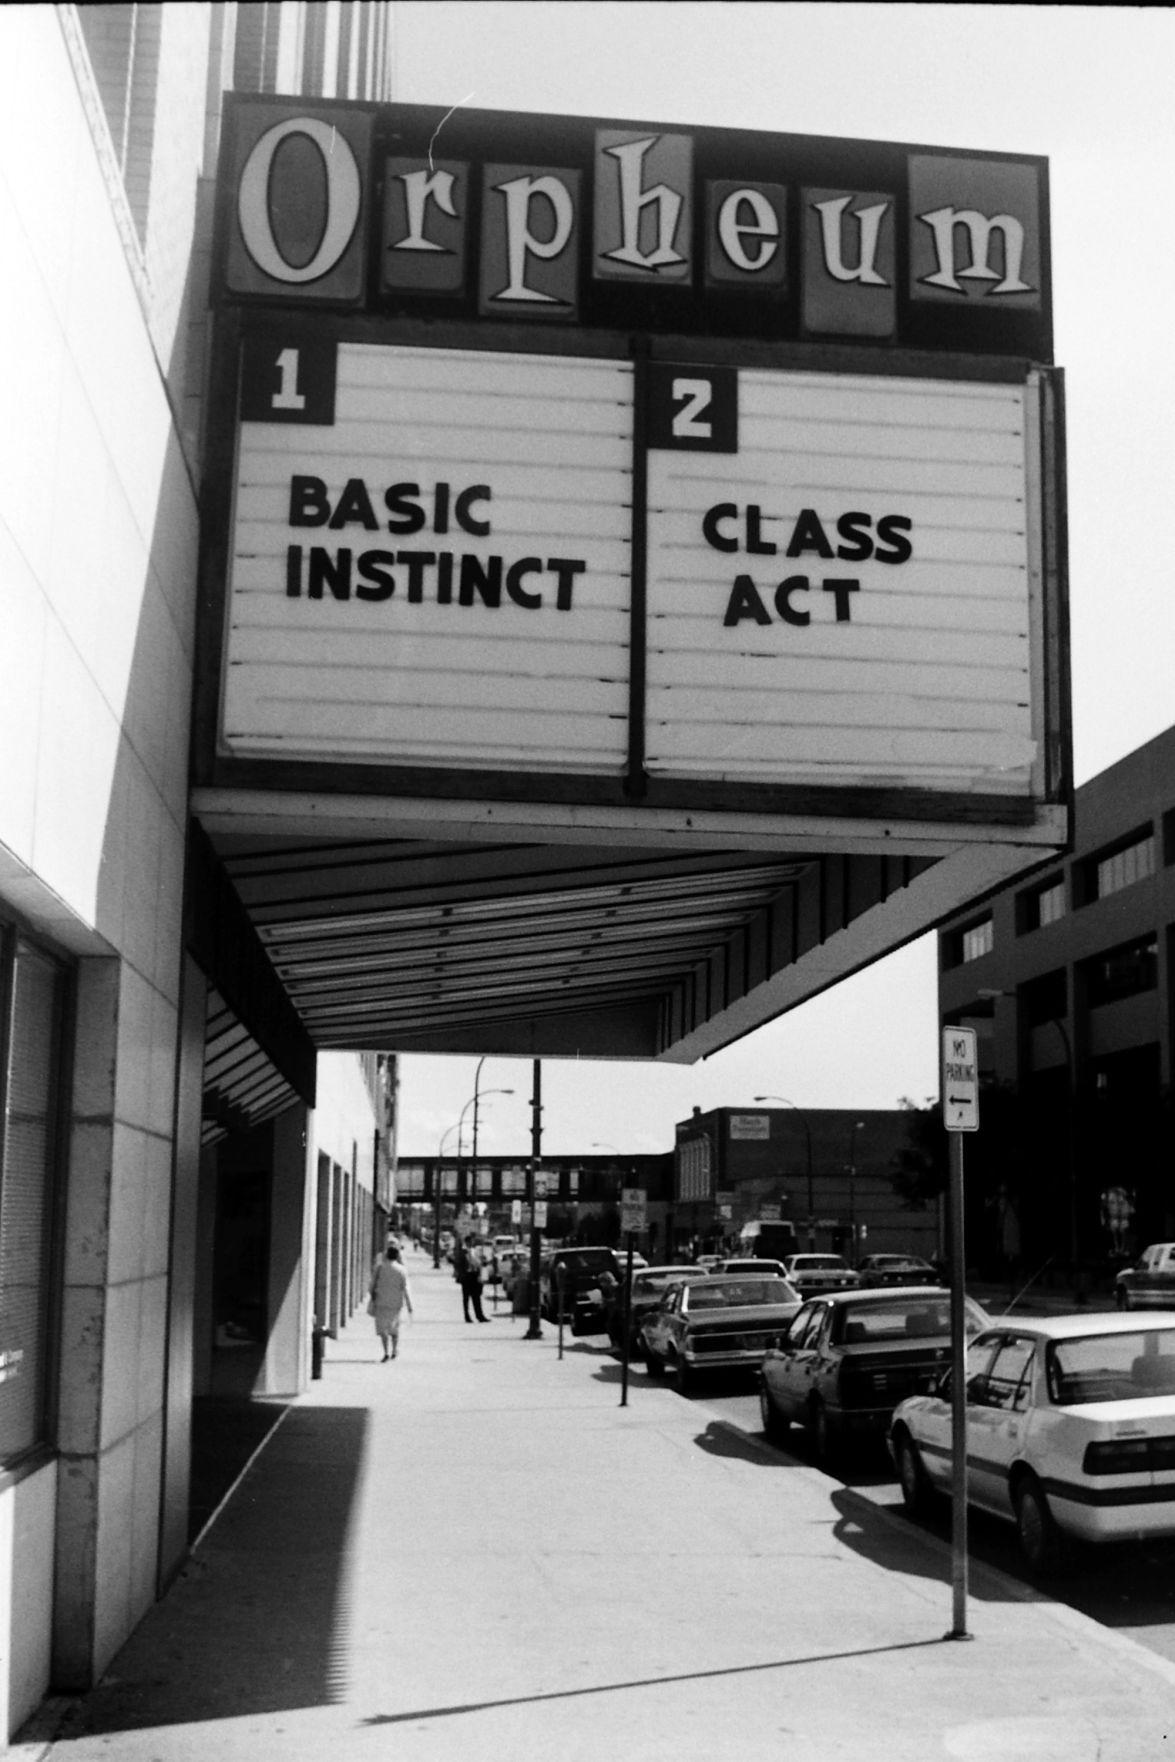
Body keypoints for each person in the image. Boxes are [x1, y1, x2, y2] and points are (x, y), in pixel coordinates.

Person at [369, 1243, 412, 1361]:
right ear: (397, 1256)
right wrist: (409, 1305)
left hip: (381, 1302)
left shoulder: (379, 1267)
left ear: (386, 1255)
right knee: (394, 1328)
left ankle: (386, 1352)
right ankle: (394, 1350)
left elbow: (371, 1285)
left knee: (383, 1328)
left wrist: (373, 1296)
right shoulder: (402, 1270)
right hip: (396, 1304)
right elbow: (405, 1288)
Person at [459, 1236, 490, 1323]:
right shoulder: (463, 1251)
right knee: (466, 1298)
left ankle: (479, 1315)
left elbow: (477, 1262)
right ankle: (467, 1316)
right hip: (467, 1276)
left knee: (476, 1297)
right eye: (470, 1242)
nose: (471, 1243)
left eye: (472, 1242)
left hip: (474, 1275)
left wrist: (482, 1262)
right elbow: (463, 1263)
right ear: (467, 1242)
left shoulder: (473, 1251)